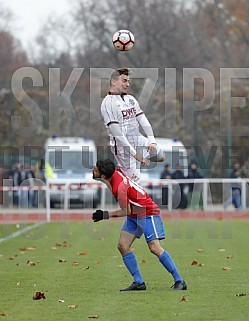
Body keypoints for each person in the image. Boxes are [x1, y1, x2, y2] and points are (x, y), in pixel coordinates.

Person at [92, 159, 187, 291]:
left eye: (95, 169)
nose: (93, 168)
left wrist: (104, 215)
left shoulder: (119, 187)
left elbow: (126, 211)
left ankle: (180, 281)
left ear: (103, 176)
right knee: (123, 245)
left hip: (148, 212)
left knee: (154, 247)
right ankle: (139, 282)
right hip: (135, 214)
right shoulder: (116, 172)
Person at [101, 68, 165, 183]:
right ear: (113, 82)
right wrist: (136, 155)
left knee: (161, 156)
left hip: (138, 140)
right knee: (136, 187)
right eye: (124, 81)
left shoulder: (130, 99)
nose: (128, 84)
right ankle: (121, 176)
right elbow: (119, 136)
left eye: (128, 81)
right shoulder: (108, 104)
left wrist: (152, 140)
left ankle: (121, 176)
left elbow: (142, 119)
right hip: (123, 149)